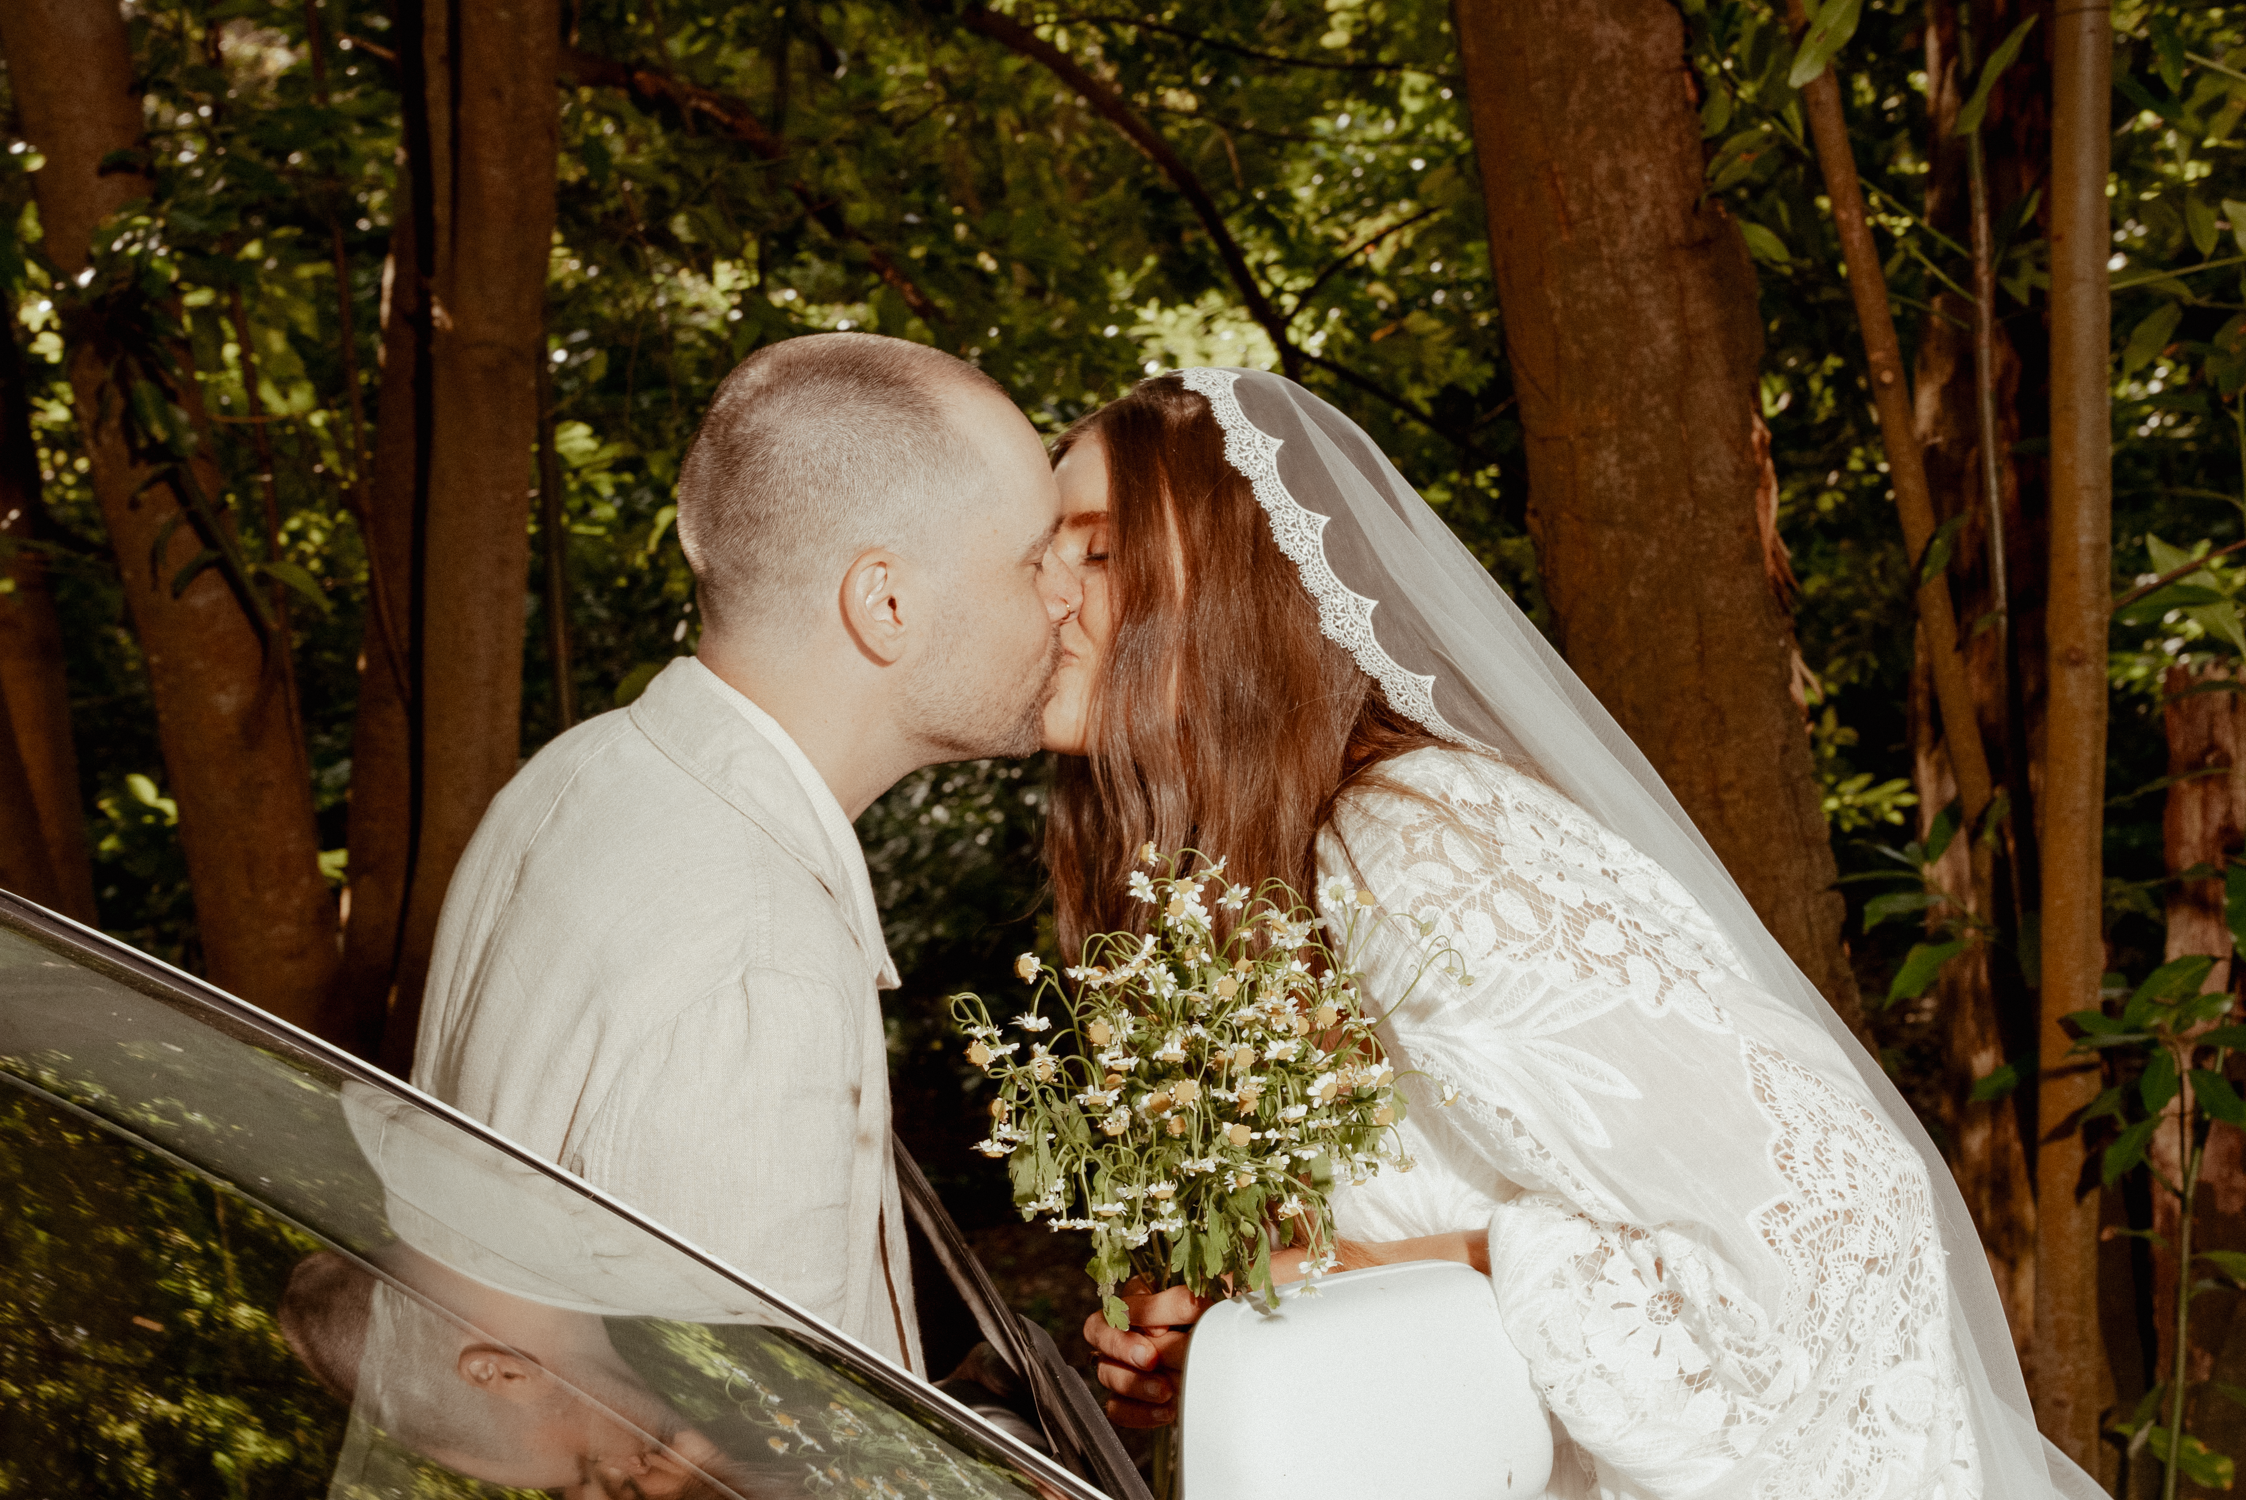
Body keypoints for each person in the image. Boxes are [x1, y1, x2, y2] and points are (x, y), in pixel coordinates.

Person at [1046, 369, 2101, 1498]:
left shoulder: (1417, 840)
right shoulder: (1227, 893)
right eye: (1040, 555)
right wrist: (1213, 1334)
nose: (1047, 592)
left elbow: (1827, 1217)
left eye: (1097, 553)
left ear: (1236, 588)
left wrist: (1328, 1279)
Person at [411, 332, 1079, 1376]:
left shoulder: (585, 772)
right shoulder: (759, 966)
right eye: (1034, 558)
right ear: (886, 602)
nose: (1065, 598)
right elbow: (758, 1448)